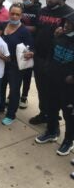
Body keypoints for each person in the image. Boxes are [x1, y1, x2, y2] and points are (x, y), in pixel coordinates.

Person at [29, 0, 74, 125]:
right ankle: (44, 113)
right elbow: (37, 30)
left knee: (54, 92)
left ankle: (53, 116)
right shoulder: (42, 11)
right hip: (39, 57)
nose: (48, 0)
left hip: (56, 61)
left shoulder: (68, 14)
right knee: (41, 88)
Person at [35, 12, 74, 160]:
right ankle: (52, 131)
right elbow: (50, 54)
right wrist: (47, 68)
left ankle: (68, 141)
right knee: (51, 108)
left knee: (69, 115)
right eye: (65, 22)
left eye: (70, 24)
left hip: (69, 88)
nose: (66, 25)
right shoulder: (59, 36)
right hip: (52, 79)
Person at [0, 3, 34, 126]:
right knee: (1, 86)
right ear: (8, 13)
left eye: (17, 14)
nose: (14, 16)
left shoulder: (24, 31)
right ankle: (0, 107)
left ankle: (10, 114)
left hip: (15, 66)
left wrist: (30, 53)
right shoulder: (2, 25)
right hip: (1, 63)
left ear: (21, 16)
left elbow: (31, 48)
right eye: (12, 13)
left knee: (14, 90)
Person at [19, 0, 42, 109]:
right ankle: (13, 95)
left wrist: (21, 27)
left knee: (27, 74)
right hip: (18, 45)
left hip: (30, 46)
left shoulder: (39, 11)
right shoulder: (21, 7)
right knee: (16, 72)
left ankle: (24, 97)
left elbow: (37, 28)